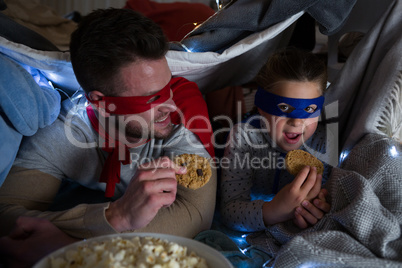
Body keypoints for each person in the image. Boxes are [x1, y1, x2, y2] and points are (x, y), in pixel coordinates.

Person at [0, 7, 217, 264]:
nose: (170, 105)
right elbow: (6, 215)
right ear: (101, 102)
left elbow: (196, 218)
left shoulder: (182, 120)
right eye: (151, 98)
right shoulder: (64, 132)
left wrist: (71, 246)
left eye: (168, 87)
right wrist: (117, 216)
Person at [220, 48, 333, 232]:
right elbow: (229, 211)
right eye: (283, 107)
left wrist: (311, 213)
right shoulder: (244, 137)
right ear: (262, 108)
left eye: (309, 109)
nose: (296, 122)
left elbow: (324, 203)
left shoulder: (324, 142)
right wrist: (274, 211)